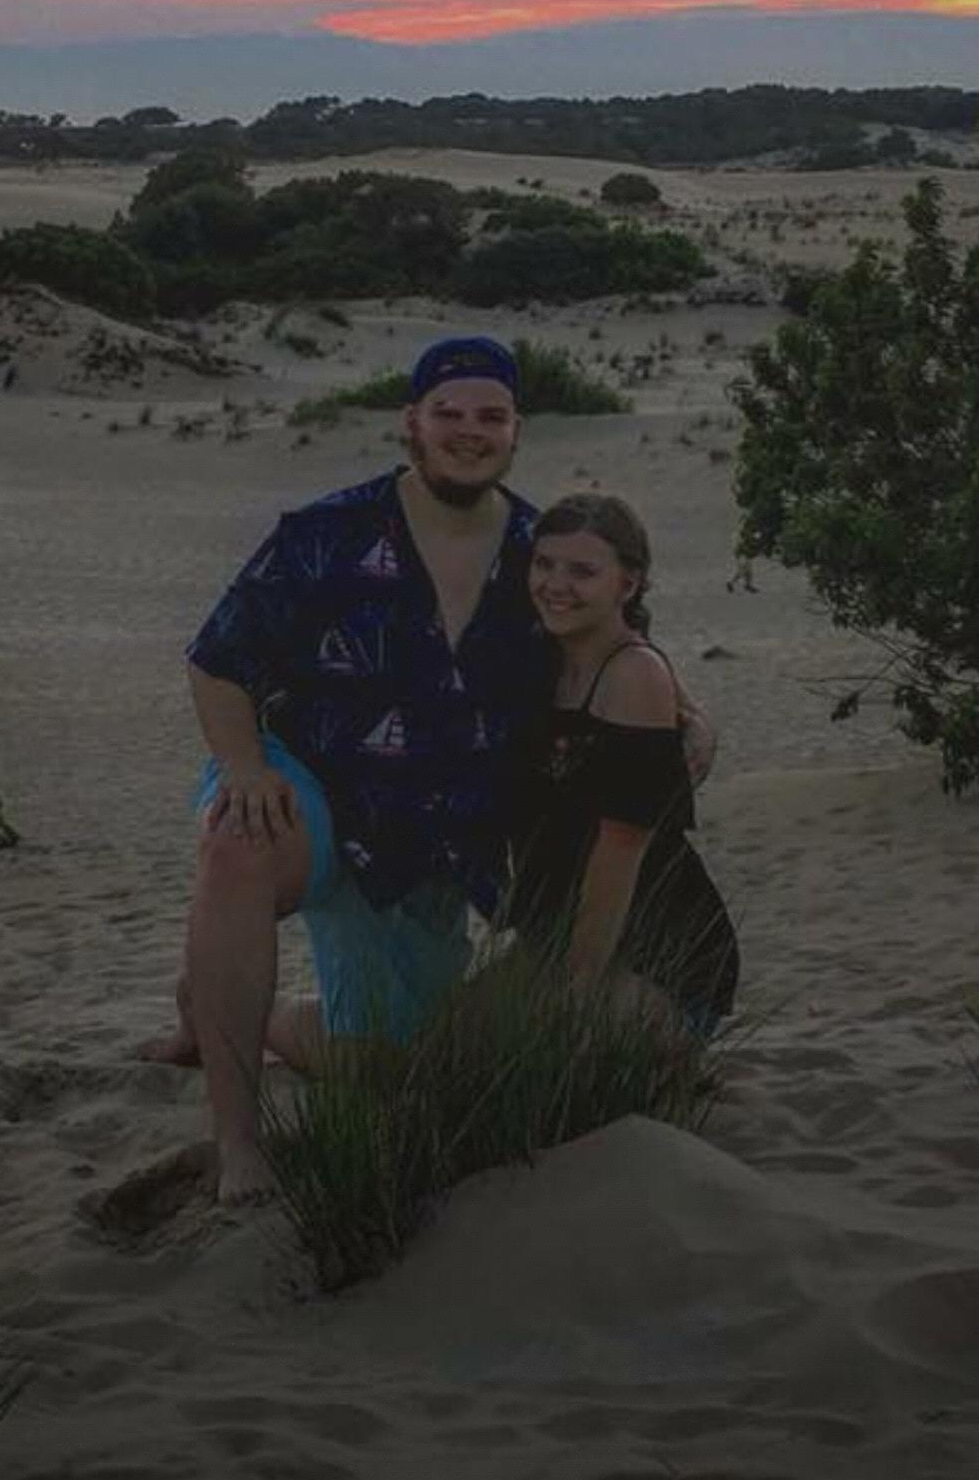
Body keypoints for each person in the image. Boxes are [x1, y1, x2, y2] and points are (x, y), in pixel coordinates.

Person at [143, 338, 717, 1205]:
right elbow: (217, 659)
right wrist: (243, 765)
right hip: (315, 788)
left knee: (402, 1065)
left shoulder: (537, 552)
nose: (468, 430)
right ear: (410, 421)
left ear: (516, 429)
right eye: (448, 412)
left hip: (424, 849)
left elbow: (613, 640)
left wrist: (690, 709)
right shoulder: (325, 534)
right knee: (239, 840)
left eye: (491, 415)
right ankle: (238, 1144)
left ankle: (220, 1008)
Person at [506, 491, 738, 1033]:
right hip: (553, 939)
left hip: (654, 955)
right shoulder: (541, 655)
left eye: (583, 572)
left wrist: (578, 989)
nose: (556, 585)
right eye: (544, 564)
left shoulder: (633, 677)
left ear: (627, 585)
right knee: (432, 1050)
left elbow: (620, 853)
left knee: (550, 1052)